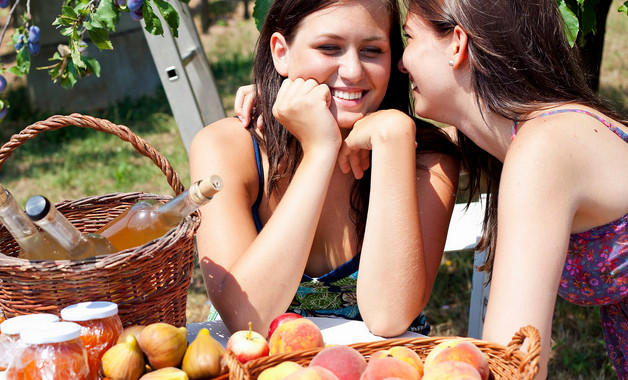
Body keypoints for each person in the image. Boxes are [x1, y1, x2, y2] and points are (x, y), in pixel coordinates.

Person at [189, 0, 460, 338]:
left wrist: (393, 138)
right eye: (329, 47)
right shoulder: (228, 147)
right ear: (281, 52)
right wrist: (320, 150)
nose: (353, 71)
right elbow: (247, 318)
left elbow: (389, 318)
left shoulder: (423, 155)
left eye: (372, 50)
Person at [395, 0, 627, 378]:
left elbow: (514, 365)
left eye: (409, 37)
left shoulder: (544, 149)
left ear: (457, 44)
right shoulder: (540, 132)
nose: (402, 62)